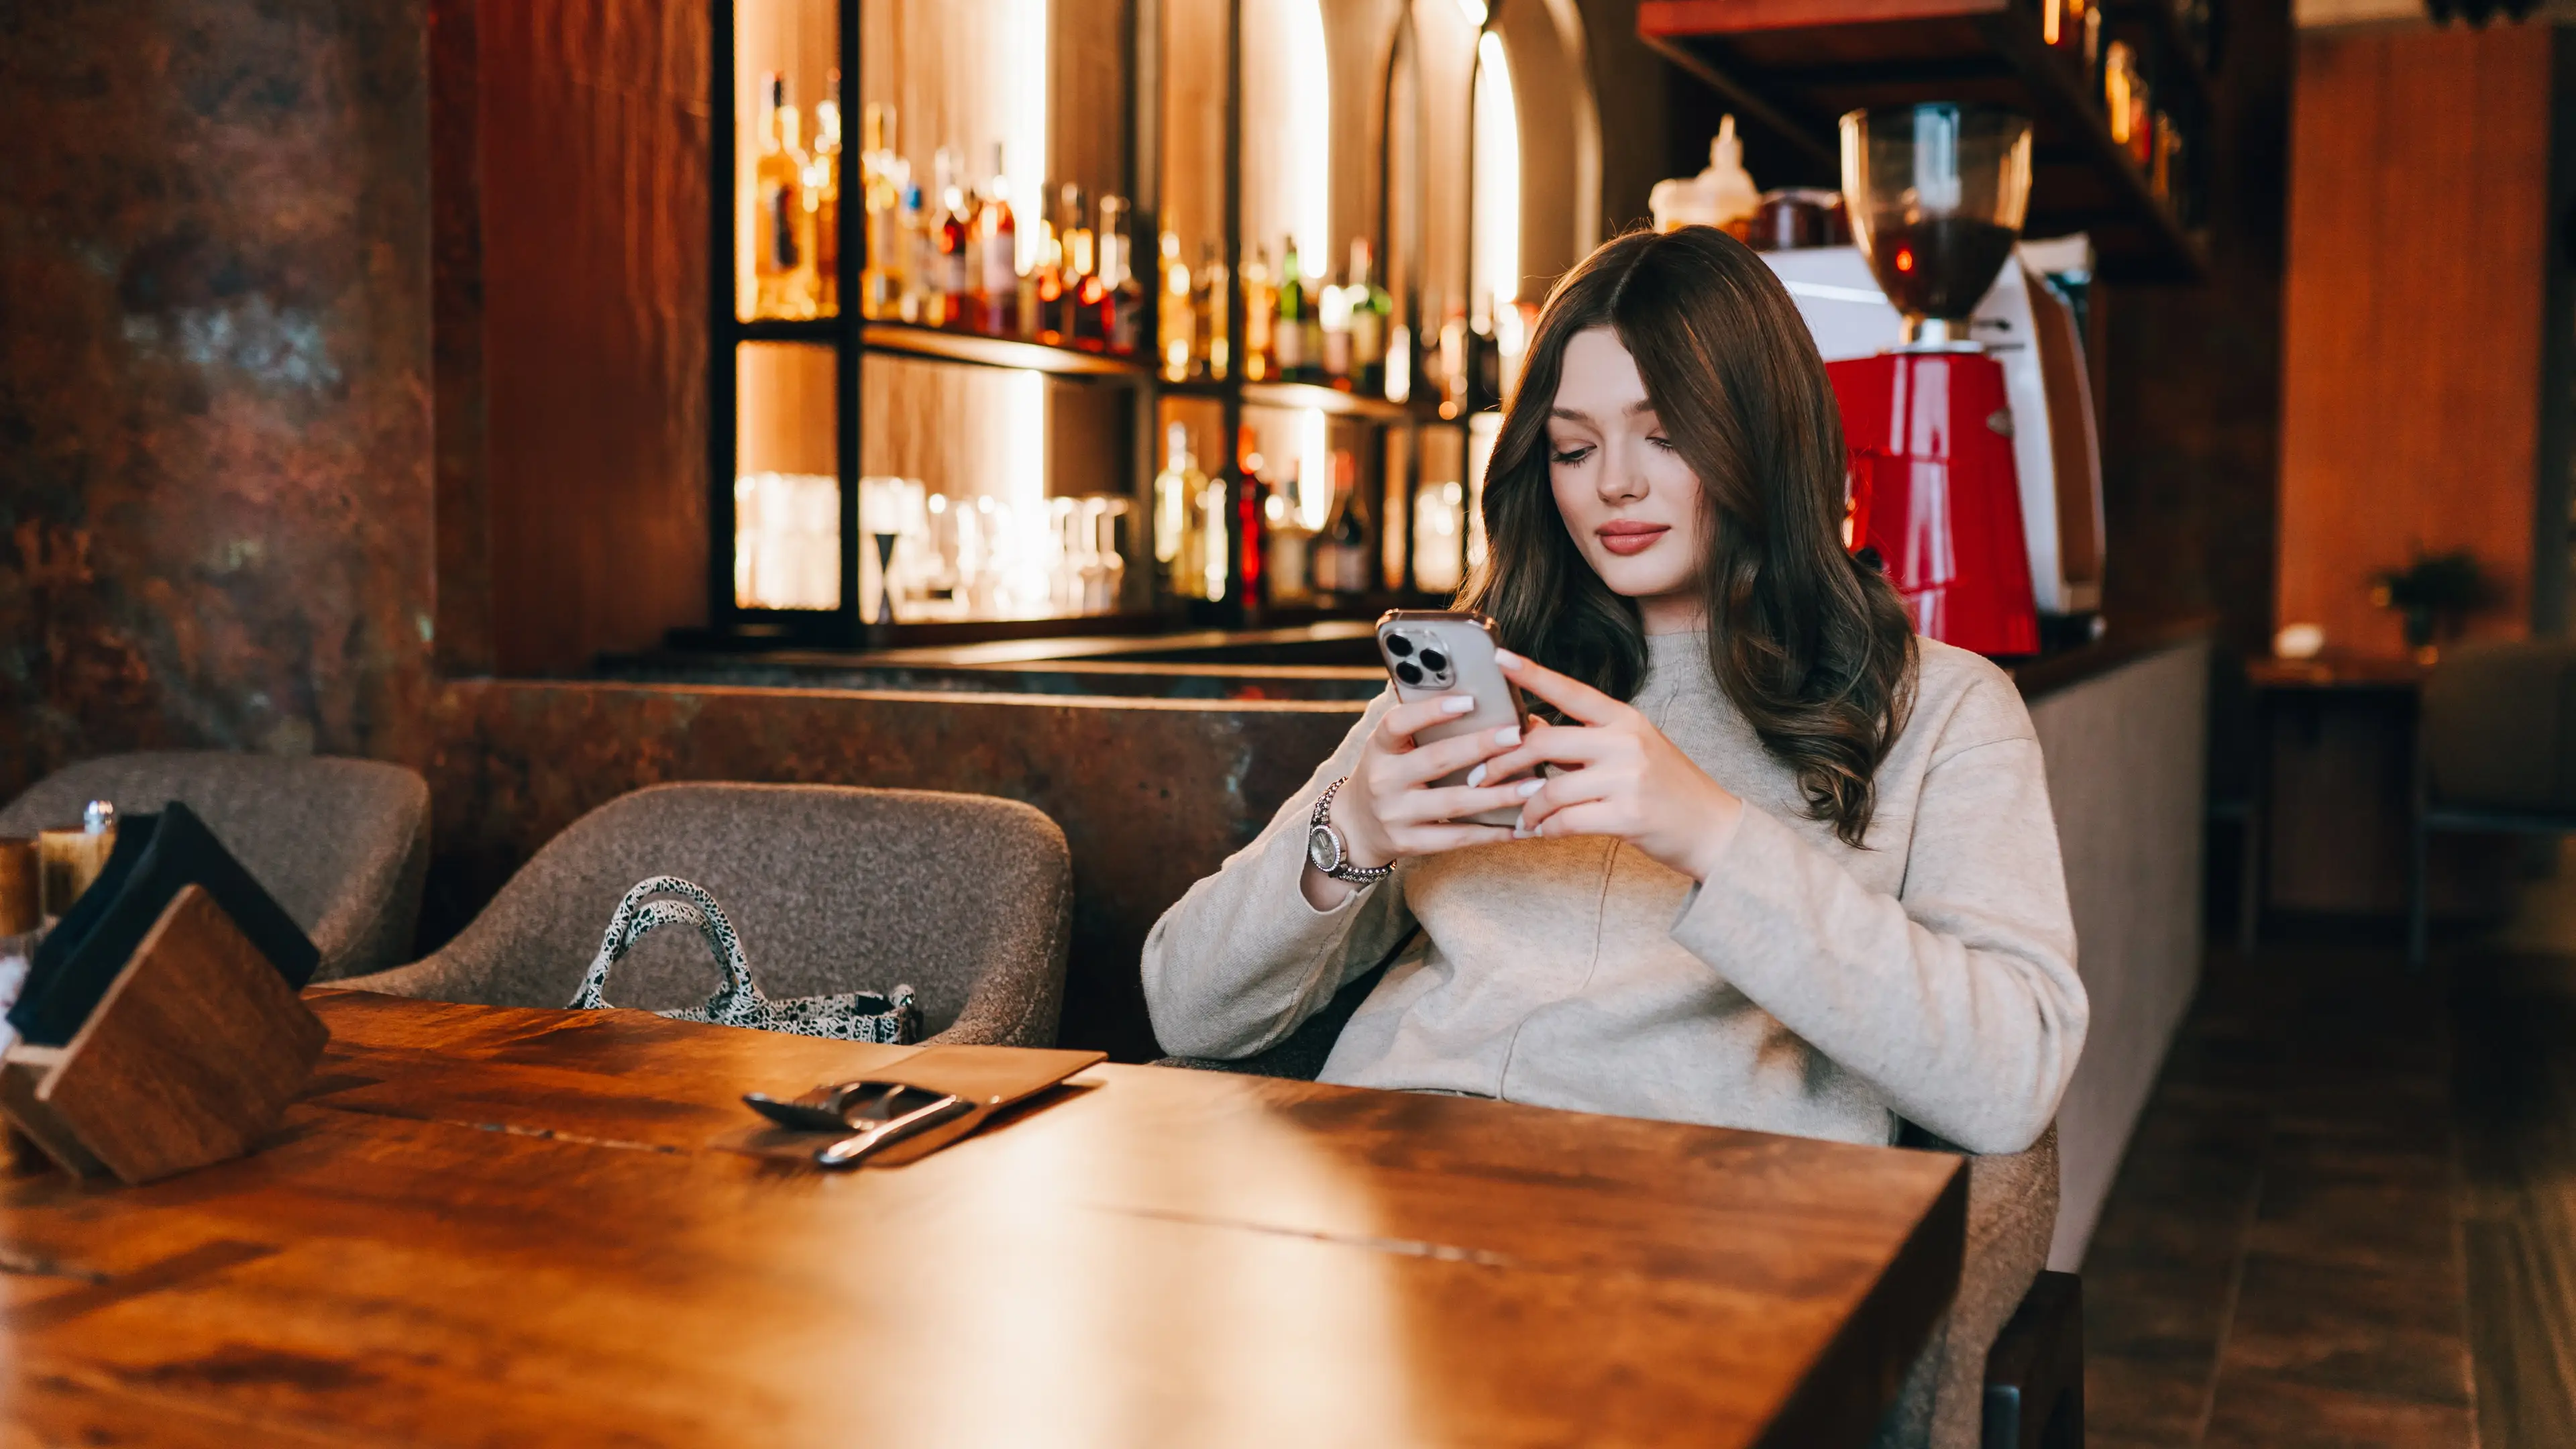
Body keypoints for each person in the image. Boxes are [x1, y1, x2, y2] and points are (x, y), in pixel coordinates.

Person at [1141, 227, 2084, 1156]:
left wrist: (1712, 834)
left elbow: (2011, 1081)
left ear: (1765, 440)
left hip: (1693, 1218)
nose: (1615, 487)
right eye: (1573, 449)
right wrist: (1350, 836)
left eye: (1665, 435)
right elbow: (1185, 1009)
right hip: (1398, 1171)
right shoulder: (1484, 679)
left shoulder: (1941, 710)